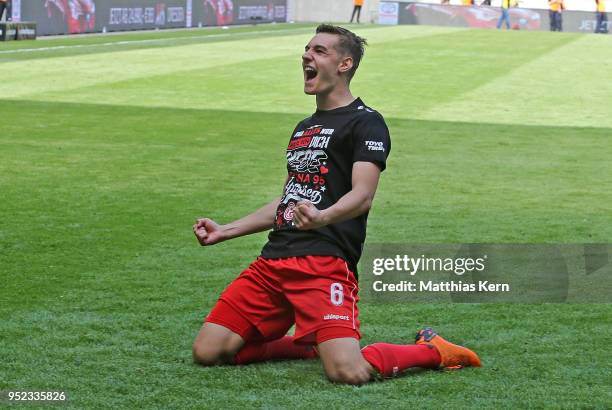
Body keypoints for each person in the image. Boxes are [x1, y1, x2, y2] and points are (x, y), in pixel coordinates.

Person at [191, 24, 481, 385]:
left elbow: (363, 194)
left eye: (319, 51)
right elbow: (288, 201)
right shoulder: (304, 128)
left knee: (348, 372)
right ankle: (309, 346)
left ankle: (432, 350)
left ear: (344, 64)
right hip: (274, 260)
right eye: (307, 49)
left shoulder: (366, 122)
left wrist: (323, 217)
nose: (307, 56)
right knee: (209, 351)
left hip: (324, 262)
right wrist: (226, 230)